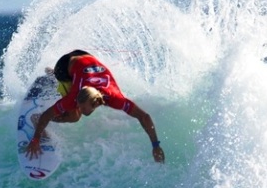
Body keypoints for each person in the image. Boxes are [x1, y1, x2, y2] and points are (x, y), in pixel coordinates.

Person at [25, 50, 165, 163]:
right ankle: (54, 75)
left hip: (85, 58)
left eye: (82, 107)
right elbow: (46, 115)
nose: (79, 108)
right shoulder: (74, 97)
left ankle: (53, 74)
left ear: (96, 103)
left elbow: (144, 116)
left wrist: (156, 146)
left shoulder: (115, 98)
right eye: (78, 104)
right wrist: (36, 138)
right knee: (74, 116)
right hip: (65, 64)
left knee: (75, 112)